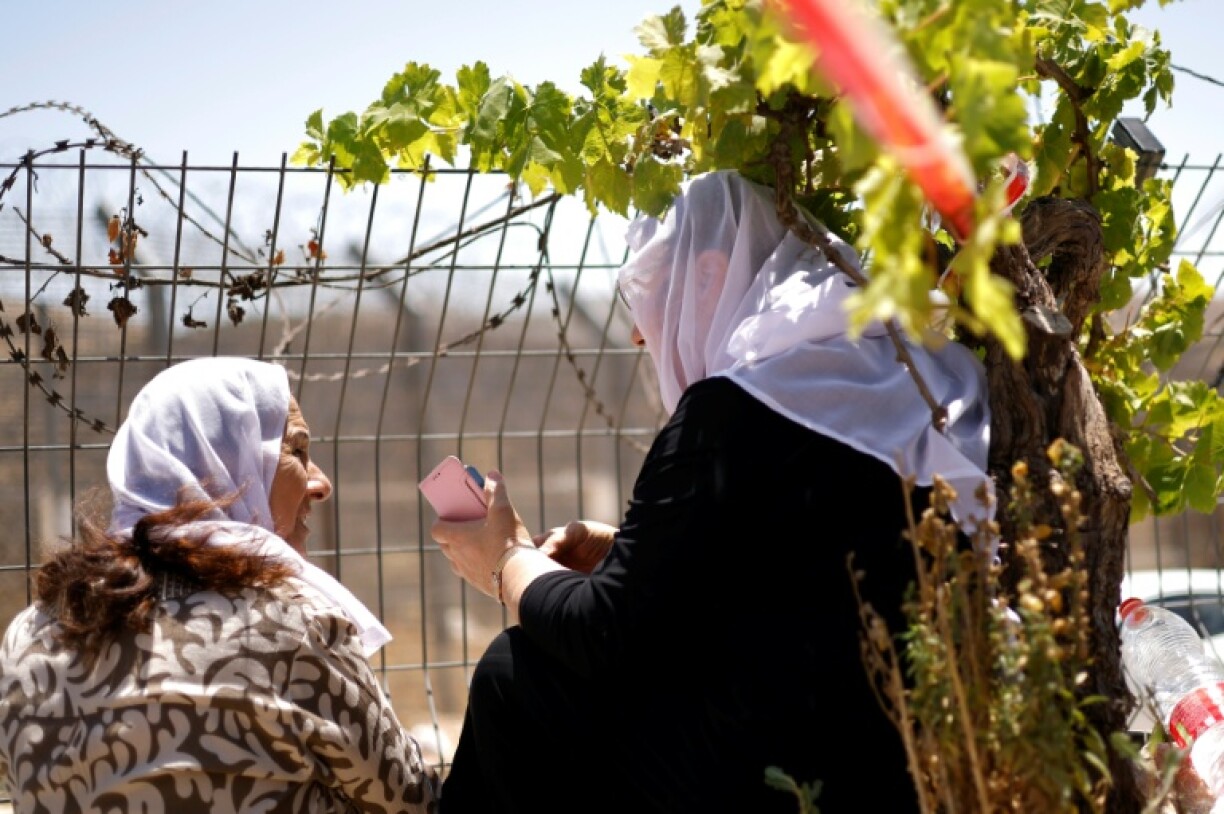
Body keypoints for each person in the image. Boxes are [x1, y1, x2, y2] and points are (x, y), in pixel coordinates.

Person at [430, 170, 995, 813]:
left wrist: (506, 558)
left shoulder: (730, 411)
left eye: (652, 294)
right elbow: (805, 565)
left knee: (516, 673)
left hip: (770, 779)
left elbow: (601, 633)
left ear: (708, 274)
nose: (641, 333)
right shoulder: (897, 371)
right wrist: (626, 550)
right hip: (889, 767)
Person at [0, 357, 439, 814]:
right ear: (226, 462)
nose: (321, 483)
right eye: (298, 451)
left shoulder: (27, 638)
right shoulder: (290, 625)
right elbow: (413, 802)